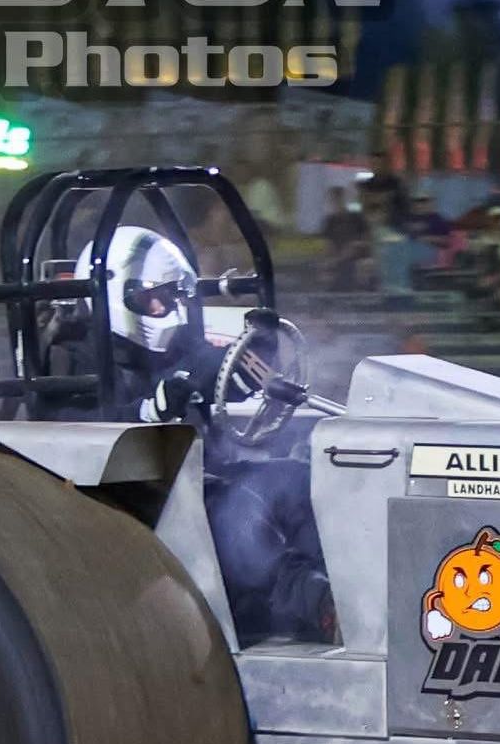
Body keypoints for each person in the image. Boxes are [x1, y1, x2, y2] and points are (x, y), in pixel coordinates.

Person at [81, 226, 335, 645]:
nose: (165, 309)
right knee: (238, 516)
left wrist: (258, 354)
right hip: (135, 499)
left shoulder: (179, 346)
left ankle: (339, 583)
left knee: (296, 479)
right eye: (152, 298)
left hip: (198, 476)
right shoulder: (78, 357)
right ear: (115, 296)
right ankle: (317, 606)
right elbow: (69, 432)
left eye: (171, 296)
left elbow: (222, 373)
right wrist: (150, 410)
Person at [321, 186, 373, 290]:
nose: (336, 203)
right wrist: (331, 258)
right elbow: (328, 244)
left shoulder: (357, 218)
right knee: (327, 268)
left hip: (357, 257)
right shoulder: (330, 221)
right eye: (333, 201)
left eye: (338, 200)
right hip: (338, 259)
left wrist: (354, 246)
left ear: (344, 200)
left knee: (363, 265)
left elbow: (366, 239)